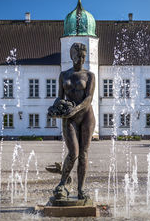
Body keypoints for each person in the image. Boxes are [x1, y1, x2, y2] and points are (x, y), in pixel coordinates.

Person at [51, 42, 95, 200]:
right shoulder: (64, 75)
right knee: (73, 153)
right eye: (78, 56)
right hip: (69, 119)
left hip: (86, 116)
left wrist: (75, 109)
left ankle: (81, 189)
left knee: (83, 154)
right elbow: (60, 97)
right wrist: (55, 106)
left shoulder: (90, 75)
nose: (81, 59)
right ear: (71, 56)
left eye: (83, 56)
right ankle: (62, 184)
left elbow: (89, 98)